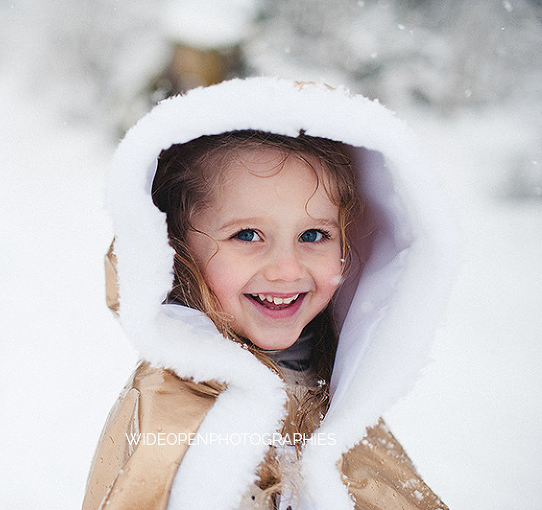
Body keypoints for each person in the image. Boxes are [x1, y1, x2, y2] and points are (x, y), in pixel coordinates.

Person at [83, 78, 455, 510]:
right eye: (247, 235)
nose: (286, 270)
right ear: (175, 248)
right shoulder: (170, 411)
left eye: (313, 234)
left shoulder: (340, 391)